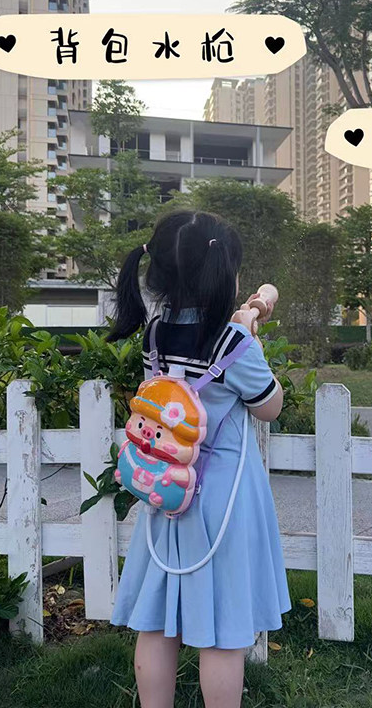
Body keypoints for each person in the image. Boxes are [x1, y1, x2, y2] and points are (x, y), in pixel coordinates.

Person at [107, 210, 292, 708]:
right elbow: (269, 406)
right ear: (222, 275)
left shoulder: (155, 333)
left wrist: (243, 326)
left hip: (168, 489)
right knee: (223, 630)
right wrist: (249, 334)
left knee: (156, 624)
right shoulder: (234, 343)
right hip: (223, 501)